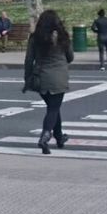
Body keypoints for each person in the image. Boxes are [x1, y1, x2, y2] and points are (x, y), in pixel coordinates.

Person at [23, 9, 73, 154]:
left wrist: (27, 79)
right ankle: (45, 136)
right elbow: (70, 57)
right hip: (59, 78)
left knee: (53, 108)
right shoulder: (63, 36)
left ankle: (59, 137)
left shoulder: (35, 38)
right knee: (53, 109)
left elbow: (28, 60)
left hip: (41, 79)